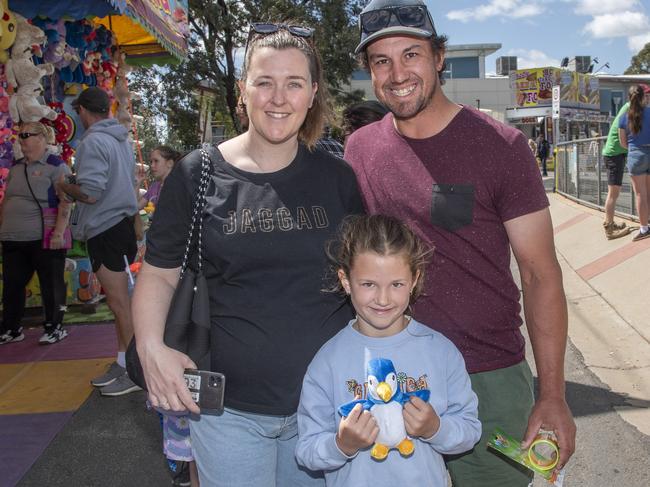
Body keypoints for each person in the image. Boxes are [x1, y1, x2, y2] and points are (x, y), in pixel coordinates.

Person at [344, 1, 576, 485]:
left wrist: (551, 394)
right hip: (393, 385)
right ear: (369, 70)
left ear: (439, 57)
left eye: (411, 54)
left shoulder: (503, 147)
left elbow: (539, 274)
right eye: (381, 61)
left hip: (489, 381)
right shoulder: (359, 150)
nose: (397, 73)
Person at [132, 22, 365, 486]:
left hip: (324, 408)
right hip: (226, 411)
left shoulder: (337, 178)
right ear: (243, 90)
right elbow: (158, 274)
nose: (278, 98)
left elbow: (365, 279)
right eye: (264, 82)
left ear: (313, 93)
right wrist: (150, 347)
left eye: (294, 83)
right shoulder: (196, 174)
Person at [295, 214, 481, 486]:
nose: (383, 299)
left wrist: (435, 429)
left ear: (414, 280)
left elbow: (470, 429)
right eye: (368, 284)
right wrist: (341, 444)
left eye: (396, 284)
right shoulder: (328, 361)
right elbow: (306, 450)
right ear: (346, 281)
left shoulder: (440, 351)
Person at [57, 86, 140, 396]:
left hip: (105, 228)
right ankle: (123, 361)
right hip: (119, 226)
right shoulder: (121, 140)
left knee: (120, 303)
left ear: (82, 111)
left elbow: (91, 192)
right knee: (120, 302)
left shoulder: (93, 141)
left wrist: (65, 184)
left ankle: (135, 370)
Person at [0, 122, 72, 345]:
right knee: (12, 285)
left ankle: (54, 326)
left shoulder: (56, 166)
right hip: (13, 238)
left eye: (26, 135)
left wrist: (59, 231)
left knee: (52, 284)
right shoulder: (16, 167)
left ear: (42, 138)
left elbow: (66, 200)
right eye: (19, 135)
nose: (21, 139)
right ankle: (11, 328)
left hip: (44, 237)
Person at [619, 83, 650, 241]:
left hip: (636, 155)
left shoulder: (624, 118)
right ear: (644, 97)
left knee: (640, 194)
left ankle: (644, 228)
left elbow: (623, 143)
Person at [601, 100, 632, 239]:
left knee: (613, 193)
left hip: (614, 154)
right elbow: (623, 141)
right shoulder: (629, 109)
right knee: (613, 193)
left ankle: (610, 223)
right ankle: (609, 230)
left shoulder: (628, 108)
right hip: (614, 155)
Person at [138, 146, 181, 210]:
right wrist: (138, 181)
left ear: (170, 163)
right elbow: (136, 208)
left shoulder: (177, 188)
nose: (152, 165)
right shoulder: (154, 187)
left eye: (156, 161)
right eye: (151, 162)